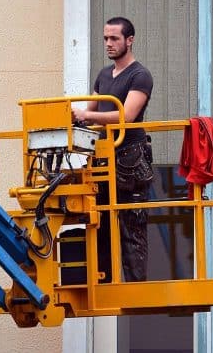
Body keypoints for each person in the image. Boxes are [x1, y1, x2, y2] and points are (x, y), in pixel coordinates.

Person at [72, 16, 153, 282]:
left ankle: (136, 285)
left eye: (114, 38)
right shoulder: (104, 75)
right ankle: (102, 280)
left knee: (132, 224)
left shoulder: (140, 75)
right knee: (100, 221)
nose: (108, 43)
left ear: (129, 40)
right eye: (106, 38)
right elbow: (91, 109)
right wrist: (74, 115)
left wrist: (86, 114)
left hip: (131, 158)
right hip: (104, 156)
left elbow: (126, 116)